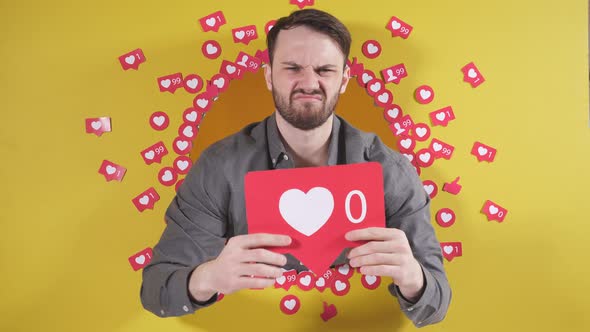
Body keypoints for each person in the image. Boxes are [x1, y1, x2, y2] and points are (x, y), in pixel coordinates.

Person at [140, 8, 451, 327]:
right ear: (268, 75)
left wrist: (414, 279)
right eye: (292, 68)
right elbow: (156, 291)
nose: (309, 82)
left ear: (344, 80)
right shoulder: (219, 167)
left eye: (325, 69)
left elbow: (437, 304)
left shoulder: (389, 170)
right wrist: (207, 278)